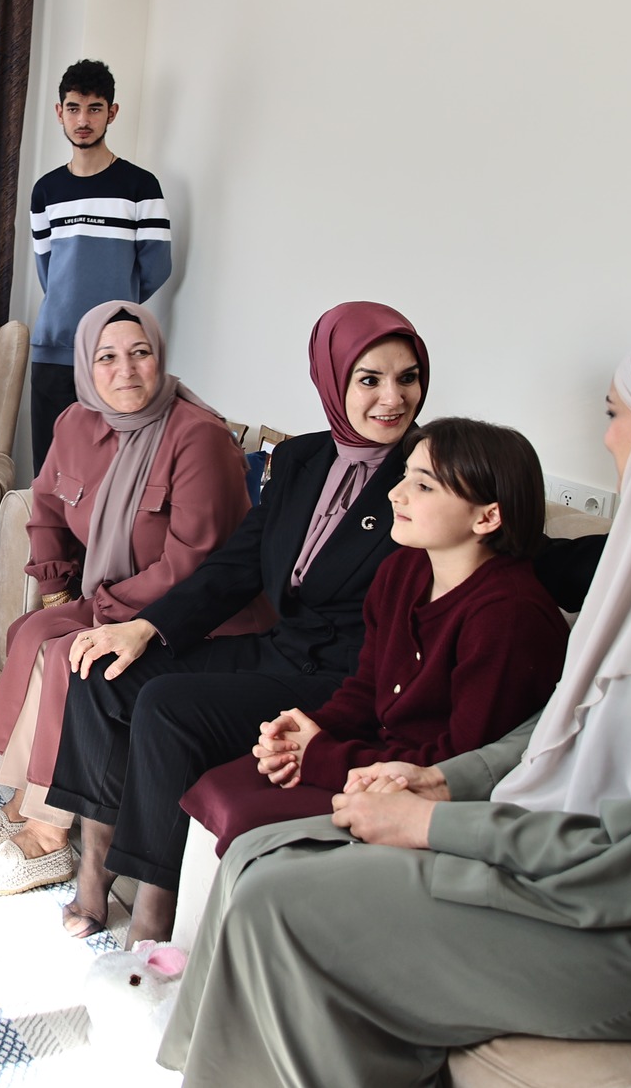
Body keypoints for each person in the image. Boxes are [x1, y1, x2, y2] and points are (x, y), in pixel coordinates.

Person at [161, 320, 631, 1088]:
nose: (607, 438)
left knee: (282, 902)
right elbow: (572, 719)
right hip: (579, 867)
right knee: (266, 854)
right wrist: (445, 781)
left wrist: (430, 822)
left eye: (614, 413)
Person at [40, 301, 432, 941]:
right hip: (278, 650)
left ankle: (154, 908)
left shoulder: (427, 471)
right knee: (101, 670)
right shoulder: (303, 458)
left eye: (408, 378)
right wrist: (146, 628)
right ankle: (96, 863)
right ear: (332, 378)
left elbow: (512, 541)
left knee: (166, 704)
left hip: (343, 679)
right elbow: (237, 565)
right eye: (370, 379)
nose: (393, 398)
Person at [0, 301, 268, 894]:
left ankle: (47, 835)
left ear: (159, 357)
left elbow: (193, 561)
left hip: (192, 618)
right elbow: (47, 508)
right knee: (33, 631)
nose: (126, 370)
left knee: (70, 655)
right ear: (85, 366)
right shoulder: (76, 423)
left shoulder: (199, 437)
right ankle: (24, 800)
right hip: (112, 597)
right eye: (107, 357)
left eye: (140, 353)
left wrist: (99, 614)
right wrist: (56, 592)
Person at [187, 416, 569, 857]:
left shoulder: (508, 615)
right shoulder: (402, 569)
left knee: (249, 820)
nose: (395, 493)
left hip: (428, 801)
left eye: (423, 486)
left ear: (487, 517)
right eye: (405, 475)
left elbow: (459, 767)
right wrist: (306, 731)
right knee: (222, 785)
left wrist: (321, 755)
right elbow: (368, 686)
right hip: (378, 757)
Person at [26, 60, 171, 474]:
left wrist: (114, 307)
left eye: (94, 108)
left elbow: (157, 267)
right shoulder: (46, 191)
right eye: (73, 108)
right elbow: (47, 270)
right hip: (54, 350)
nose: (83, 120)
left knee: (109, 471)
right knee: (50, 471)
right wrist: (68, 302)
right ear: (60, 113)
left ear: (112, 112)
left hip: (114, 354)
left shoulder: (140, 187)